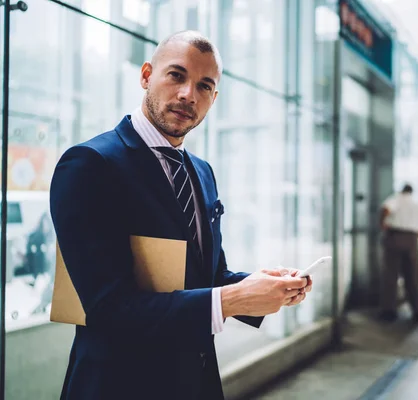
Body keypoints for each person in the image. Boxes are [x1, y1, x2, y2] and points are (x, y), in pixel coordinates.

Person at [50, 31, 312, 400]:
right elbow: (109, 308)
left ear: (214, 98)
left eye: (205, 86)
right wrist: (233, 299)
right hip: (119, 385)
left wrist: (263, 285)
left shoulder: (201, 171)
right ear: (145, 76)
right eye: (176, 75)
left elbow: (207, 275)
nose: (189, 94)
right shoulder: (91, 164)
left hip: (196, 381)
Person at [379, 184, 418, 323]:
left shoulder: (395, 200)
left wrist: (382, 224)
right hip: (412, 239)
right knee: (414, 275)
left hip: (395, 236)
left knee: (391, 274)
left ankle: (389, 310)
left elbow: (386, 209)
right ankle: (417, 310)